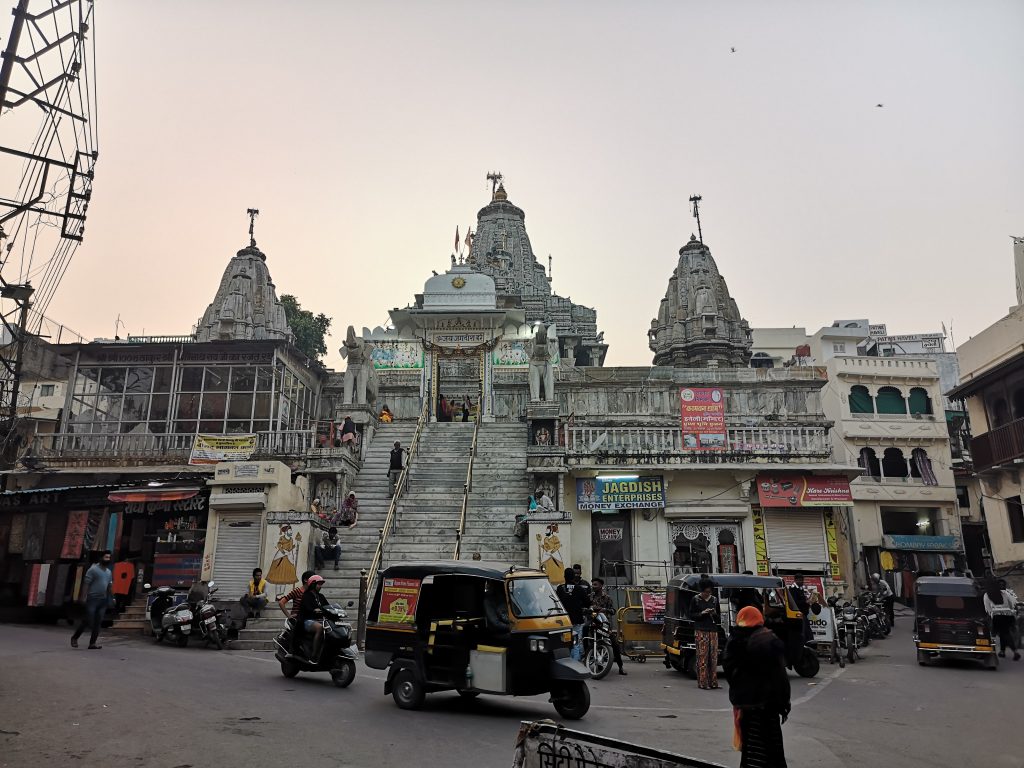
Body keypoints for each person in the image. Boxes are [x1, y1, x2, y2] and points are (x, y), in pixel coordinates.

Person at [724, 606, 791, 768]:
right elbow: (780, 677)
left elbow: (729, 671)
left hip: (746, 706)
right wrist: (784, 704)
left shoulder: (735, 640)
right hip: (769, 705)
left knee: (752, 749)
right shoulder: (768, 639)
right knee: (772, 748)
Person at [71, 551, 113, 650]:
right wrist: (83, 597)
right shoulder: (93, 570)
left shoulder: (109, 572)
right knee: (88, 620)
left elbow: (109, 586)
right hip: (92, 599)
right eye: (106, 557)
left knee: (98, 622)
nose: (108, 559)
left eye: (109, 558)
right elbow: (86, 584)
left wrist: (112, 598)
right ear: (101, 558)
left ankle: (92, 643)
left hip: (103, 600)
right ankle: (75, 637)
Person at [690, 578, 721, 690]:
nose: (707, 593)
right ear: (701, 590)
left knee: (713, 657)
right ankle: (703, 682)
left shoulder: (714, 600)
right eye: (705, 591)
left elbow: (719, 618)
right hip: (700, 630)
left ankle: (713, 681)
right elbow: (691, 615)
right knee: (702, 656)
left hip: (713, 630)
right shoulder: (696, 599)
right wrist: (702, 613)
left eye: (709, 591)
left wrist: (714, 613)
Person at [591, 577, 626, 675]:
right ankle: (596, 664)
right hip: (593, 624)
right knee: (590, 642)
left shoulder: (607, 598)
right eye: (593, 584)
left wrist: (604, 610)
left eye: (595, 585)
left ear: (601, 586)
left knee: (614, 644)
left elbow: (613, 611)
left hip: (605, 625)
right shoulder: (590, 597)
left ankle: (621, 667)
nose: (593, 587)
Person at [556, 567, 592, 661]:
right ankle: (575, 665)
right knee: (575, 643)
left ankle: (565, 663)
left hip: (563, 622)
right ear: (573, 577)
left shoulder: (560, 589)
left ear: (564, 577)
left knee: (564, 643)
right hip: (577, 620)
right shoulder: (579, 589)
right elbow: (587, 603)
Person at [984, 579, 1020, 660]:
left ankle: (1014, 652)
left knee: (1000, 634)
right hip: (1008, 616)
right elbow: (1012, 605)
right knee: (1004, 634)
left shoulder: (988, 594)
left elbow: (988, 609)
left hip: (997, 617)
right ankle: (1002, 651)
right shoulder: (1006, 594)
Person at [298, 574, 328, 662]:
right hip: (307, 621)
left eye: (321, 584)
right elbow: (308, 608)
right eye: (318, 584)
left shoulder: (321, 596)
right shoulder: (306, 596)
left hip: (320, 620)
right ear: (313, 584)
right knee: (320, 628)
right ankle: (314, 655)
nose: (320, 586)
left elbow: (328, 607)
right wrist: (315, 610)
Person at [788, 574, 813, 643]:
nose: (802, 582)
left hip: (803, 612)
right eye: (800, 580)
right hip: (798, 613)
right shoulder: (792, 589)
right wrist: (806, 602)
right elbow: (794, 602)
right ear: (796, 580)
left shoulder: (800, 588)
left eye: (802, 580)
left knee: (806, 630)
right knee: (804, 630)